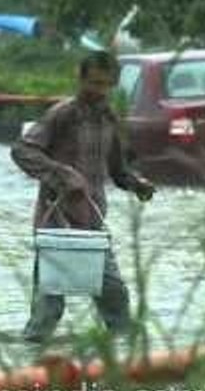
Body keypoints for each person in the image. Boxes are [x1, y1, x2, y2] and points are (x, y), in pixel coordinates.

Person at [12, 50, 157, 344]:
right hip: (57, 223)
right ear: (79, 79)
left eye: (105, 85)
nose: (98, 91)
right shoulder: (62, 114)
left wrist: (137, 184)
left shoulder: (110, 120)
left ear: (114, 84)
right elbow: (22, 151)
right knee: (48, 308)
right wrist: (61, 174)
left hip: (92, 223)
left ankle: (128, 364)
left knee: (115, 297)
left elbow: (118, 170)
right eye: (92, 83)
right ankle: (29, 373)